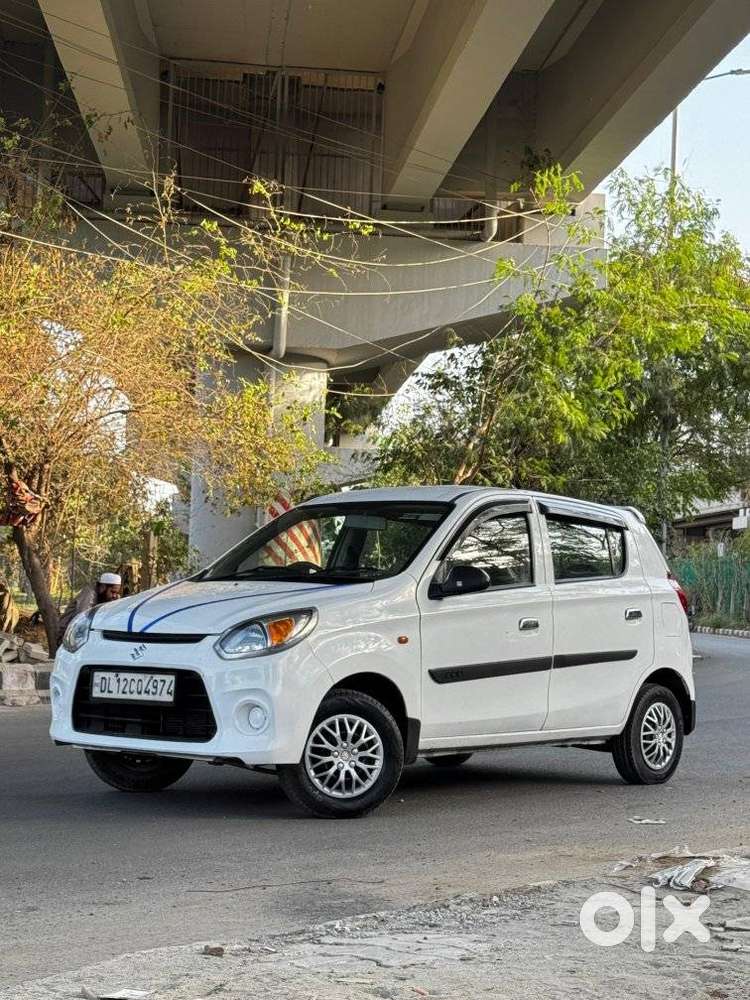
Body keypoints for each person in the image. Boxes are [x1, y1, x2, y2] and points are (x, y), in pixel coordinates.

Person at [57, 572, 122, 645]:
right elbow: (82, 620)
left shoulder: (103, 597)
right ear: (103, 587)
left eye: (116, 593)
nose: (114, 596)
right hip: (66, 635)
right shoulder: (89, 595)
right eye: (112, 592)